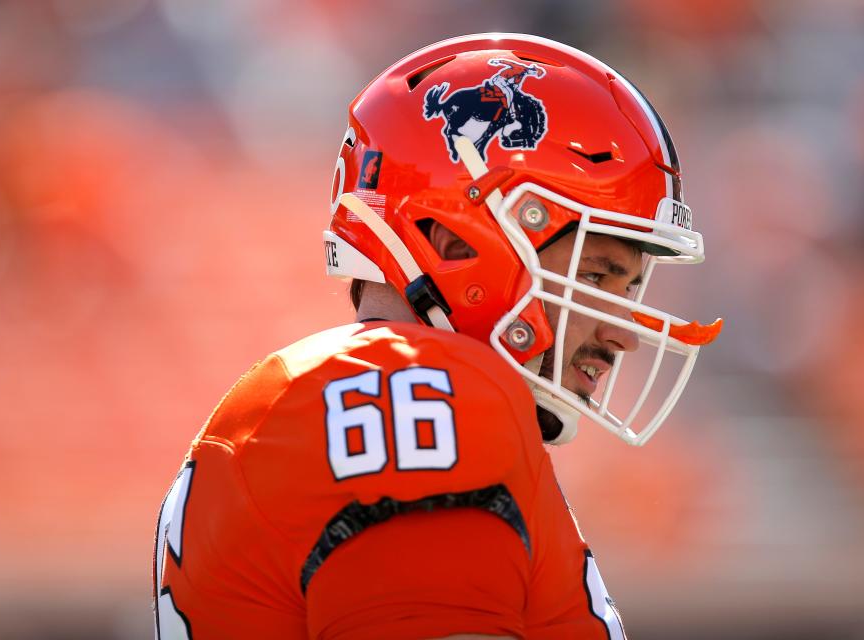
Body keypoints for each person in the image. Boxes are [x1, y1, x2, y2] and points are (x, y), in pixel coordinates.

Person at [153, 33, 722, 640]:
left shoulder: (342, 401)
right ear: (454, 244)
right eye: (594, 274)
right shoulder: (411, 397)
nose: (622, 332)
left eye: (629, 287)